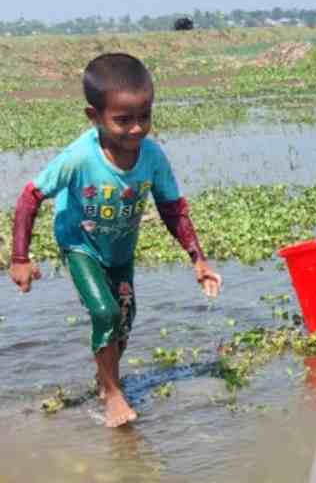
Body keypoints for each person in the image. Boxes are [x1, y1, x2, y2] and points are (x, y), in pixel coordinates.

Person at [7, 52, 222, 427]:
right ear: (95, 117)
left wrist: (197, 259)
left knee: (124, 318)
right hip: (80, 245)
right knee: (105, 313)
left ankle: (105, 377)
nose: (137, 129)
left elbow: (172, 207)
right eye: (123, 120)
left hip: (120, 249)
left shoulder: (152, 157)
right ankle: (112, 392)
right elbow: (30, 197)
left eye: (144, 116)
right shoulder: (79, 157)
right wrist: (20, 257)